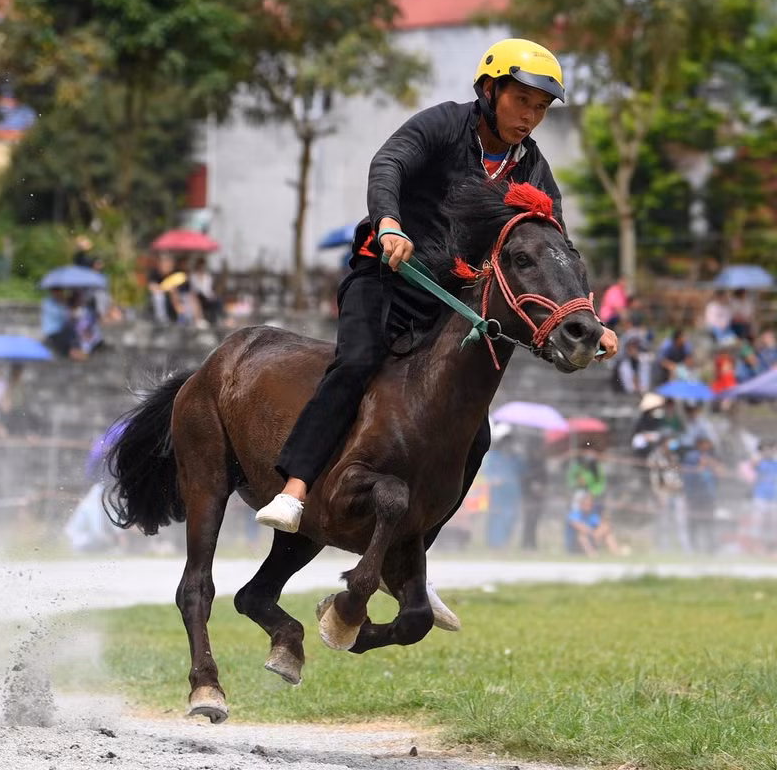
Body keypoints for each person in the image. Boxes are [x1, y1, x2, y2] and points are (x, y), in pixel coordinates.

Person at [255, 38, 618, 559]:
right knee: (356, 362)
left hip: (449, 301)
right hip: (383, 275)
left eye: (540, 108)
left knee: (477, 433)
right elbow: (388, 166)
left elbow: (553, 247)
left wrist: (589, 318)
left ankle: (413, 553)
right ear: (490, 90)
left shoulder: (531, 167)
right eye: (523, 101)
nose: (531, 117)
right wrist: (389, 223)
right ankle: (295, 489)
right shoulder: (444, 125)